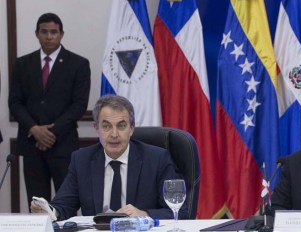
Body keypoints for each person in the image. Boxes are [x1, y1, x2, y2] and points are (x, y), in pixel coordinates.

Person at [31, 94, 185, 220]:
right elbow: (63, 205)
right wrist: (48, 211)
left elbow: (180, 211)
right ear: (96, 129)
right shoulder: (82, 160)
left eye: (121, 126)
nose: (114, 134)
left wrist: (145, 214)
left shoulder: (157, 159)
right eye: (106, 126)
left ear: (132, 129)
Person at [9, 13, 91, 204]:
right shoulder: (22, 64)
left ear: (61, 34)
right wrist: (35, 129)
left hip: (63, 144)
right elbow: (14, 102)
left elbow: (79, 104)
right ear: (36, 34)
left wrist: (50, 133)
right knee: (37, 203)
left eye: (54, 32)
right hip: (31, 145)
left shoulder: (78, 64)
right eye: (44, 32)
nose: (49, 37)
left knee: (66, 203)